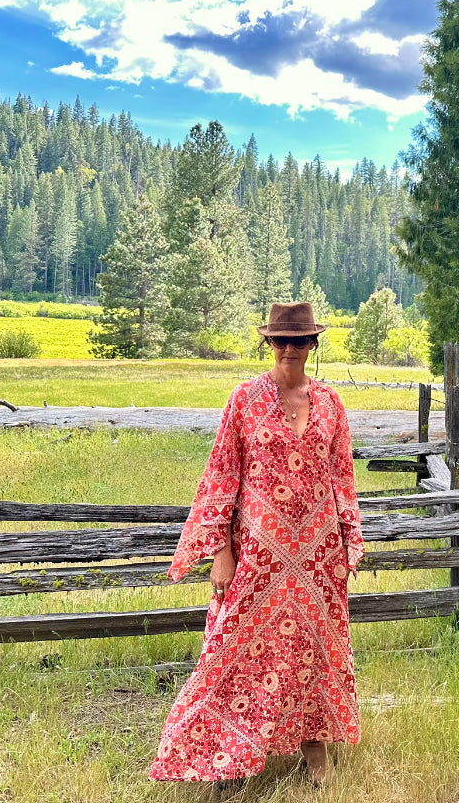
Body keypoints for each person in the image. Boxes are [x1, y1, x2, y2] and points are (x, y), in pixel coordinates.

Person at [149, 302, 364, 787]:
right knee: (234, 652)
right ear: (269, 343)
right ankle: (225, 754)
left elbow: (342, 478)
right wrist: (221, 552)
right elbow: (221, 477)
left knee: (314, 651)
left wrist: (349, 541)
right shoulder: (243, 400)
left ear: (313, 345)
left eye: (300, 341)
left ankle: (316, 751)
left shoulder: (331, 404)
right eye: (281, 341)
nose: (290, 349)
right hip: (257, 559)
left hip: (317, 558)